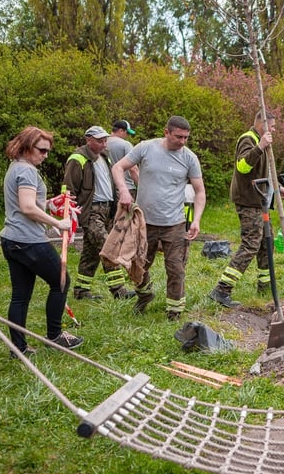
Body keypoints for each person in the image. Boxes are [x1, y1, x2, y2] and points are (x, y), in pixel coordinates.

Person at [0, 126, 84, 357]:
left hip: (11, 239)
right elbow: (27, 208)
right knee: (62, 282)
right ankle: (55, 336)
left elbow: (28, 203)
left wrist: (50, 202)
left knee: (20, 295)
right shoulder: (26, 171)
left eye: (47, 151)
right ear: (27, 147)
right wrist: (59, 224)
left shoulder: (15, 167)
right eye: (42, 150)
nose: (45, 156)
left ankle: (19, 348)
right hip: (28, 240)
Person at [111, 116, 206, 321]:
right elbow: (118, 167)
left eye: (186, 138)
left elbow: (199, 191)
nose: (182, 141)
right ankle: (145, 295)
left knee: (176, 268)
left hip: (174, 223)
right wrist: (124, 191)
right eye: (178, 137)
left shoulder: (189, 158)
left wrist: (196, 220)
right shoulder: (146, 148)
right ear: (166, 132)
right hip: (145, 222)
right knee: (139, 265)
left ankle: (175, 311)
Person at [209, 111, 284, 308]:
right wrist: (260, 146)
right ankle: (221, 289)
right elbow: (243, 167)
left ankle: (264, 286)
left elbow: (267, 170)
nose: (274, 129)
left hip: (261, 200)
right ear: (261, 124)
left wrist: (278, 186)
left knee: (266, 243)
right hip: (248, 200)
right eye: (271, 126)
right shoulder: (248, 139)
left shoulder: (264, 142)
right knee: (251, 244)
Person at [62, 126, 134, 300]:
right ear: (88, 140)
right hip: (91, 210)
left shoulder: (105, 157)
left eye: (105, 140)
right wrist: (70, 213)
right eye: (100, 141)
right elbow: (68, 189)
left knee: (91, 252)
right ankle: (119, 290)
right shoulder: (77, 159)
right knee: (107, 247)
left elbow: (111, 182)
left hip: (107, 209)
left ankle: (81, 290)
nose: (104, 144)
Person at [107, 120, 139, 200]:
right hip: (127, 188)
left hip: (108, 188)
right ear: (121, 130)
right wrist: (141, 187)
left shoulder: (102, 143)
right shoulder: (125, 144)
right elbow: (133, 169)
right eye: (127, 133)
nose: (127, 136)